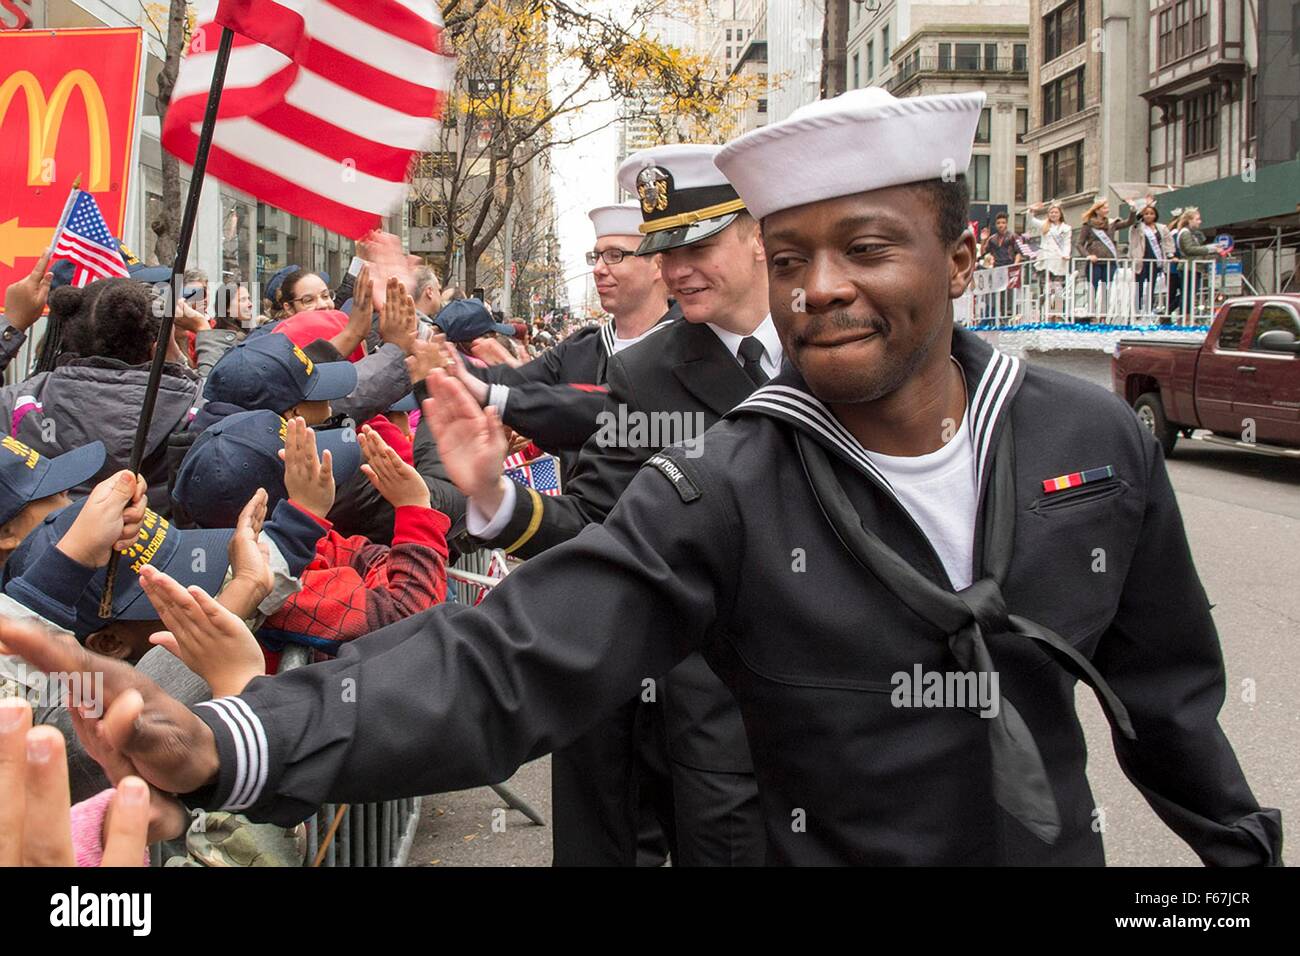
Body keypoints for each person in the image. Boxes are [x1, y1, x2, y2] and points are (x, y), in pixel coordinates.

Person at [1, 89, 1280, 867]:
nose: (822, 284)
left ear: (958, 254)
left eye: (867, 246)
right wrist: (225, 735)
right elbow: (500, 664)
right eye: (793, 255)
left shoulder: (1092, 444)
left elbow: (1168, 709)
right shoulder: (731, 482)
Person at [0, 279, 201, 513]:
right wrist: (187, 356)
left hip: (47, 546)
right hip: (162, 545)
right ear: (158, 348)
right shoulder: (196, 407)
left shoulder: (19, 404)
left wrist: (11, 326)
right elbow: (225, 397)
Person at [1078, 196, 1143, 322]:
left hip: (1109, 261)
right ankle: (1093, 315)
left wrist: (1133, 209)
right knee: (1094, 288)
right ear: (1097, 210)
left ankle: (1103, 316)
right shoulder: (1088, 225)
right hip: (1095, 262)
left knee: (1108, 288)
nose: (1107, 209)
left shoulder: (1112, 223)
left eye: (1107, 207)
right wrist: (1087, 255)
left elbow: (1129, 222)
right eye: (1104, 207)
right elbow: (1079, 243)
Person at [1170, 207, 1227, 322]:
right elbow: (1189, 249)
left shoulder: (1192, 234)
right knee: (1188, 293)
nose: (1199, 222)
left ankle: (1179, 313)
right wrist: (1209, 249)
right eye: (1197, 219)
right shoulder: (1185, 233)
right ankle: (1184, 316)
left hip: (1194, 267)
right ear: (1189, 220)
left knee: (1189, 293)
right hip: (1189, 267)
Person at [1128, 203, 1175, 318]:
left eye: (1151, 213)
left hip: (1155, 260)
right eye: (1146, 213)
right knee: (1138, 285)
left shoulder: (1161, 228)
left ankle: (1148, 310)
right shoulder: (1138, 227)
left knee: (1151, 285)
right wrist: (1139, 207)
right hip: (1141, 260)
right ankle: (1136, 311)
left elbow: (1168, 242)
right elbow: (1134, 222)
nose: (1149, 216)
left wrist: (1170, 254)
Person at [1026, 201, 1071, 319]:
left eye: (1056, 212)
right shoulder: (1045, 225)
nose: (1053, 214)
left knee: (1058, 288)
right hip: (1046, 261)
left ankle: (1056, 312)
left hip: (1059, 261)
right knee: (1046, 287)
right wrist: (1032, 210)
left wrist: (1066, 254)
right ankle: (1045, 313)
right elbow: (1031, 220)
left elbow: (1067, 244)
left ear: (1060, 214)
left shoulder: (1066, 228)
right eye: (1051, 212)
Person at [263, 266, 333, 320]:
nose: (323, 305)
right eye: (309, 300)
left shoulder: (341, 331)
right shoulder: (277, 337)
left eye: (325, 296)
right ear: (289, 308)